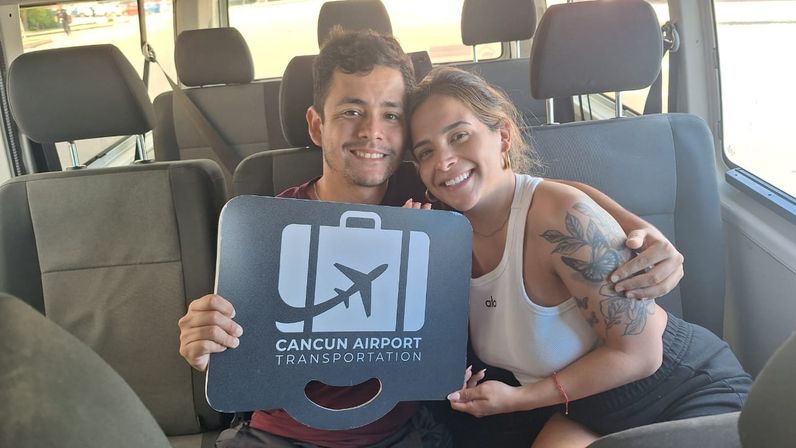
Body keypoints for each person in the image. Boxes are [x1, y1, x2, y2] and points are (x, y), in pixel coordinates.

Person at [178, 29, 687, 448]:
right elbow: (226, 341)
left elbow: (529, 193)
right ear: (316, 124)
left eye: (392, 115)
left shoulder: (435, 190)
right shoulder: (268, 224)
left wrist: (634, 227)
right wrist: (208, 341)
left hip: (400, 434)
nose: (373, 132)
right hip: (279, 435)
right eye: (351, 111)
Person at [405, 66, 753, 447]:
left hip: (680, 388)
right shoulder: (444, 238)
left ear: (502, 136)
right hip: (587, 405)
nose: (444, 161)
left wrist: (519, 399)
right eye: (426, 152)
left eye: (459, 136)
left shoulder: (560, 216)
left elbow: (640, 355)